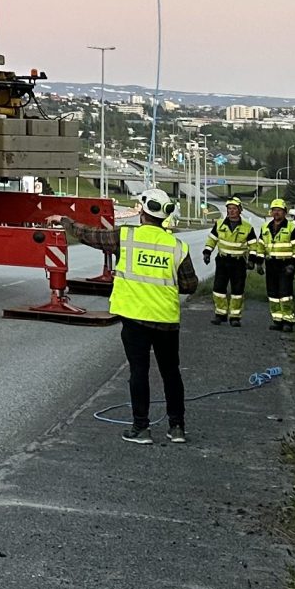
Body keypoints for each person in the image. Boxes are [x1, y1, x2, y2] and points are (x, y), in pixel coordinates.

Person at [65, 187, 201, 444]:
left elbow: (91, 235)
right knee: (171, 373)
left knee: (139, 372)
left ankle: (141, 428)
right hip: (166, 319)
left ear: (142, 214)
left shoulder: (126, 236)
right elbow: (190, 285)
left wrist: (66, 222)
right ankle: (177, 428)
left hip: (135, 318)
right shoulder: (177, 246)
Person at [205, 196, 258, 326]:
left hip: (238, 263)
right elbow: (212, 240)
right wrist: (207, 252)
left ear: (239, 210)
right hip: (222, 261)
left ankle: (235, 317)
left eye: (234, 209)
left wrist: (252, 261)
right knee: (218, 289)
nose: (231, 211)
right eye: (229, 208)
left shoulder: (247, 227)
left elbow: (253, 246)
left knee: (237, 291)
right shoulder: (219, 224)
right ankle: (220, 314)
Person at [257, 197, 295, 331]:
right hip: (271, 264)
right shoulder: (265, 228)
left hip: (285, 265)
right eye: (274, 210)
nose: (276, 213)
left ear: (285, 212)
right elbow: (260, 247)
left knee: (285, 294)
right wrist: (259, 263)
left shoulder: (292, 228)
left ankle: (288, 321)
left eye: (279, 210)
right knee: (272, 294)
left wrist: (292, 265)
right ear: (271, 212)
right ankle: (277, 320)